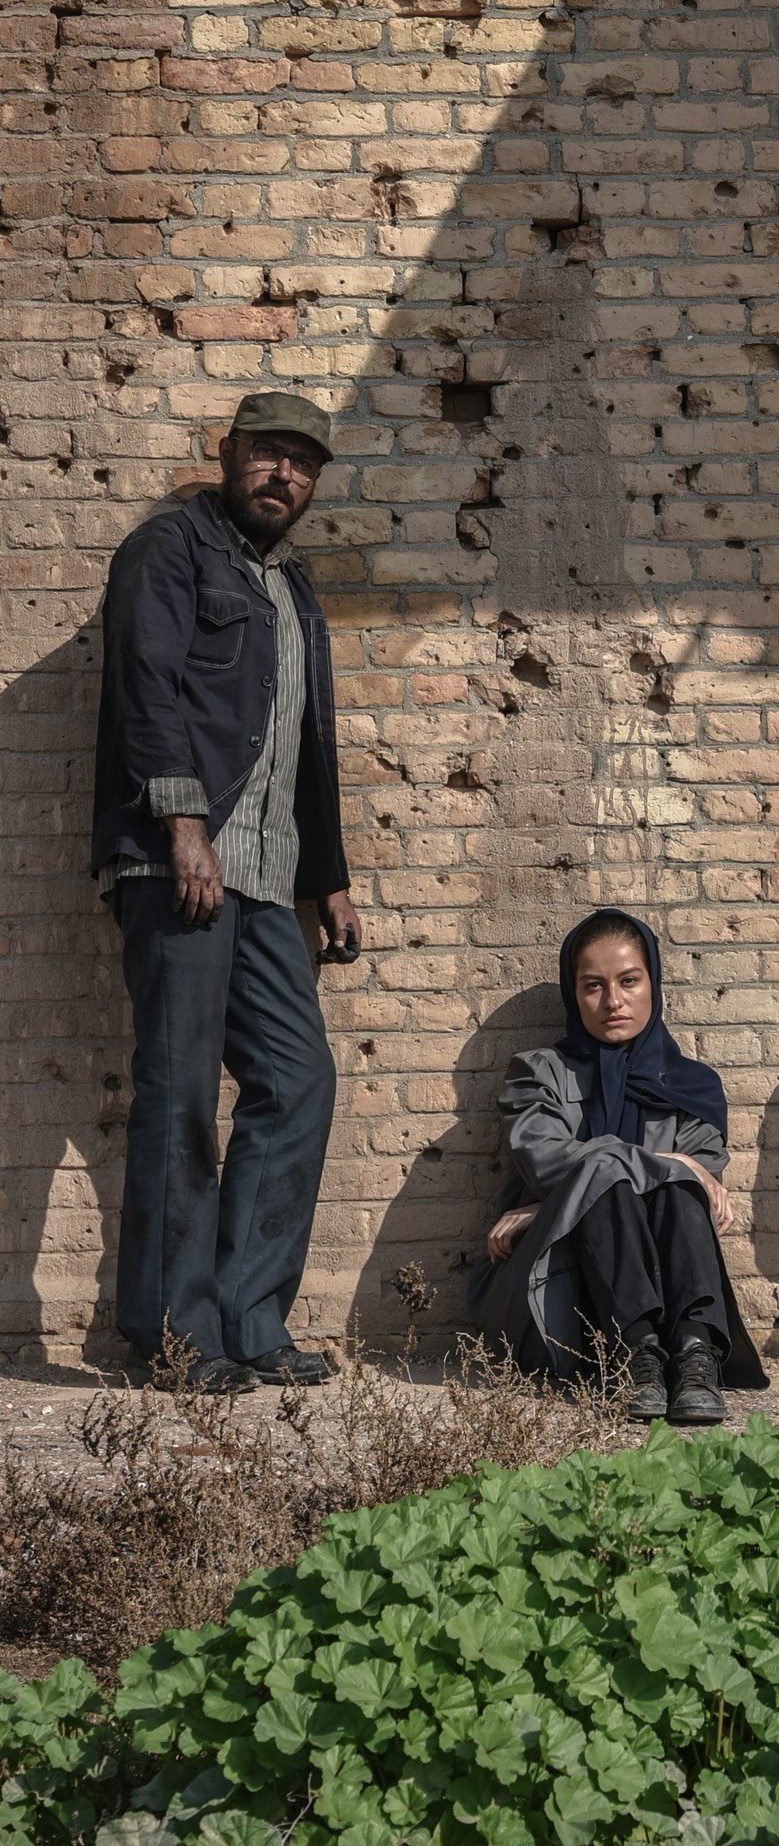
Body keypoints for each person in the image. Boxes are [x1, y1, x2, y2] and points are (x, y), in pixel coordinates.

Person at [92, 391, 358, 1394]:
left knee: (299, 1080)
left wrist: (329, 878)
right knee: (178, 1096)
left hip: (267, 877)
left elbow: (306, 747)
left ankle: (250, 1321)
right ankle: (173, 1337)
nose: (283, 474)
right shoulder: (168, 551)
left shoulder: (294, 588)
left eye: (302, 463)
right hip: (179, 866)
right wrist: (183, 824)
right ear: (228, 452)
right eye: (267, 453)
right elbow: (146, 688)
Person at [471, 908, 767, 1426]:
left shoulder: (692, 1086)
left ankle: (693, 1353)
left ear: (653, 983)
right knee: (629, 1186)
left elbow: (695, 1186)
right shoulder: (536, 1075)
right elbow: (547, 1163)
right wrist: (671, 1161)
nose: (613, 1002)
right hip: (557, 1287)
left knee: (677, 1192)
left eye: (629, 981)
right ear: (573, 994)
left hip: (665, 1282)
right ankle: (638, 1356)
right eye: (593, 986)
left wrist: (551, 1205)